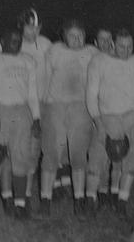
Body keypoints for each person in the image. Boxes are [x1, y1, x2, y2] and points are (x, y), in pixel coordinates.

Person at [86, 28, 134, 217]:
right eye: (121, 46)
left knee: (132, 159)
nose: (126, 50)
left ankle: (122, 201)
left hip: (133, 115)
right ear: (113, 44)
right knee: (97, 158)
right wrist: (99, 125)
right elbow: (91, 95)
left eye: (130, 46)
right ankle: (91, 199)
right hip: (107, 114)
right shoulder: (99, 62)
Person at [39, 20, 98, 217]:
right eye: (72, 35)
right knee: (51, 153)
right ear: (64, 37)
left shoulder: (92, 52)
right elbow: (44, 78)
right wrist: (43, 106)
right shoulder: (55, 51)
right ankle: (45, 199)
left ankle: (79, 199)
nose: (77, 39)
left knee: (78, 155)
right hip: (55, 105)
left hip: (81, 106)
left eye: (80, 35)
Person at [0, 29, 41, 220]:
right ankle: (6, 198)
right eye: (12, 40)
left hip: (22, 111)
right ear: (2, 41)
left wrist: (36, 117)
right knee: (2, 157)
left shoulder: (28, 61)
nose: (16, 43)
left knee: (21, 156)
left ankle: (21, 204)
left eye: (18, 40)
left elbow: (32, 92)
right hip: (1, 110)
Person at [17, 8, 52, 203]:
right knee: (22, 150)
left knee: (36, 150)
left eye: (37, 28)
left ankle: (28, 193)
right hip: (21, 106)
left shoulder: (46, 44)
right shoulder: (12, 43)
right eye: (30, 27)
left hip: (43, 104)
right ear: (22, 26)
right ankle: (20, 195)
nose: (34, 32)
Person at [87, 27, 120, 211]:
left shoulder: (119, 59)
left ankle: (109, 194)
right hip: (98, 115)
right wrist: (96, 119)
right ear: (95, 42)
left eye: (109, 39)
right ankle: (92, 197)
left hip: (116, 116)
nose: (106, 43)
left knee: (114, 159)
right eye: (102, 39)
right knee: (96, 157)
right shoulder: (93, 61)